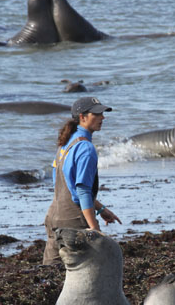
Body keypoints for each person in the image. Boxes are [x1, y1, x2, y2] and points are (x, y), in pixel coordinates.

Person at [43, 96, 122, 265]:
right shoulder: (86, 148)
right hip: (73, 222)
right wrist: (94, 229)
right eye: (97, 114)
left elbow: (63, 184)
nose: (103, 118)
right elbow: (82, 190)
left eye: (102, 113)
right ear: (82, 117)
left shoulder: (65, 143)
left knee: (49, 275)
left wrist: (101, 209)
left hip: (54, 217)